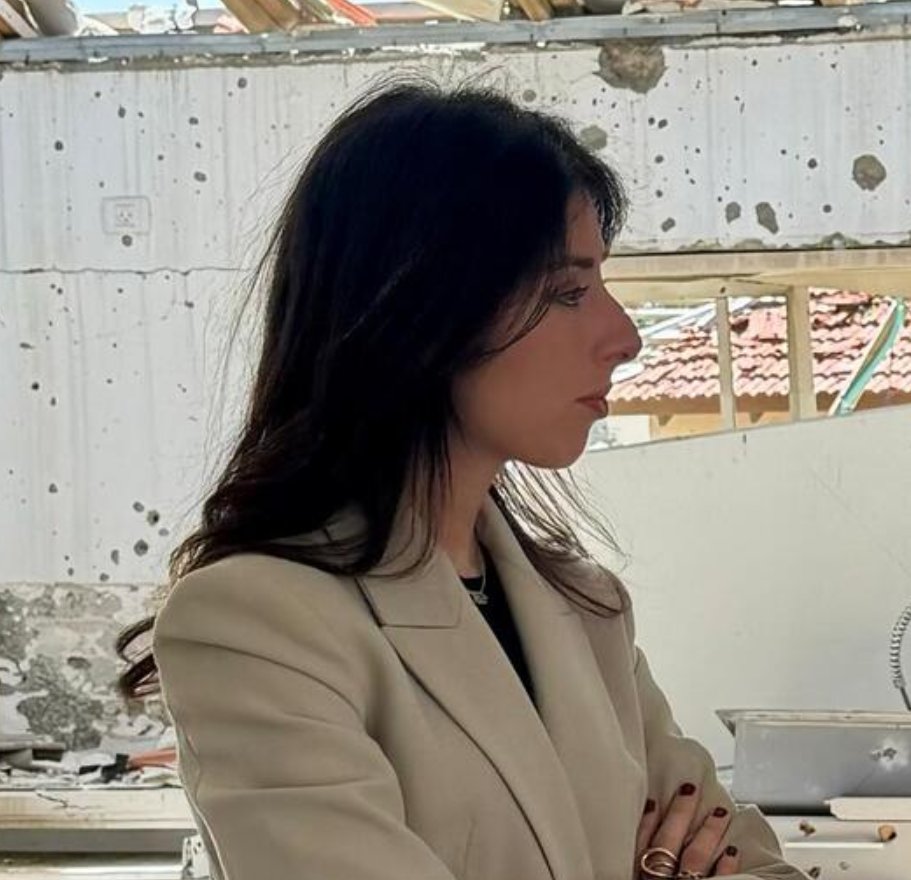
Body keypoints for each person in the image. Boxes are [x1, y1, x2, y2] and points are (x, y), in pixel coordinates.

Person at [117, 77, 805, 880]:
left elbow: (758, 866)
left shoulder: (586, 610)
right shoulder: (258, 622)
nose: (624, 337)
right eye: (567, 292)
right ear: (420, 308)